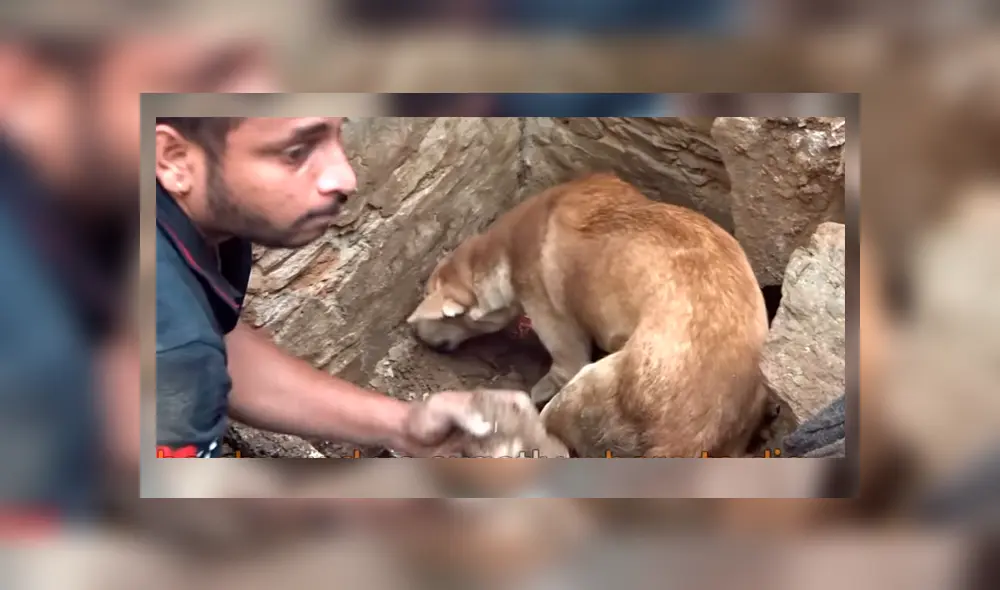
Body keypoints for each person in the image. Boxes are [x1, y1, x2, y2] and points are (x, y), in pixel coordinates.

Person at [155, 116, 513, 459]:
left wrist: (404, 425)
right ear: (174, 158)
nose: (347, 178)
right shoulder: (174, 351)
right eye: (296, 151)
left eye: (339, 132)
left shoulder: (194, 219)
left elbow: (219, 345)